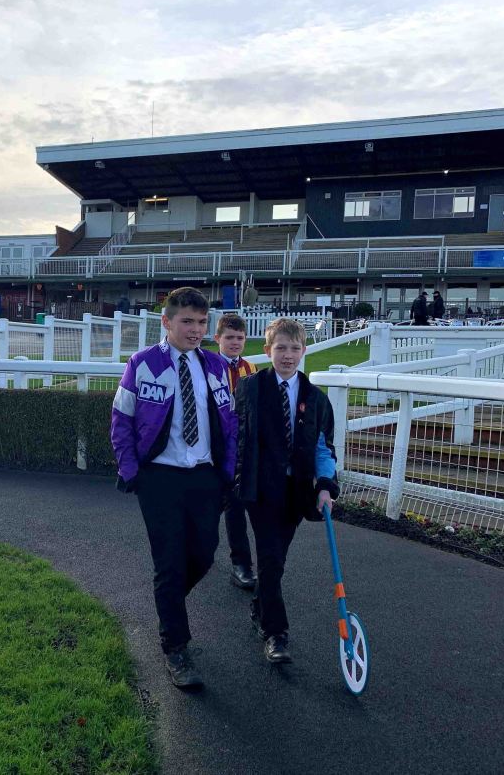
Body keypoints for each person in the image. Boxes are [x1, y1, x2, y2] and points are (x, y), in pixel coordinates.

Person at [111, 287, 237, 690]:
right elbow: (121, 421)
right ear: (166, 322)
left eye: (202, 323)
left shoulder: (217, 366)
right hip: (159, 479)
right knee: (169, 563)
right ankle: (175, 647)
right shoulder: (142, 363)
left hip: (204, 476)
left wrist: (228, 473)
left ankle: (168, 608)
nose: (196, 330)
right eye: (187, 322)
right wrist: (132, 472)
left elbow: (229, 427)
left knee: (202, 556)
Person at [234, 318, 340, 665]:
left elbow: (324, 448)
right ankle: (276, 633)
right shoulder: (250, 389)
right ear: (268, 351)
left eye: (295, 348)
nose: (288, 355)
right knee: (269, 557)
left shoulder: (316, 399)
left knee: (275, 562)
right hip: (260, 490)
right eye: (281, 348)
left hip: (295, 493)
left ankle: (259, 606)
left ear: (304, 351)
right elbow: (236, 436)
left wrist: (325, 486)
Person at [214, 314, 258, 590]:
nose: (235, 342)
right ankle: (189, 553)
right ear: (217, 338)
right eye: (229, 337)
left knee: (235, 505)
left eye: (240, 338)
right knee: (202, 507)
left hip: (239, 450)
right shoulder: (205, 365)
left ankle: (241, 564)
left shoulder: (251, 368)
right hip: (209, 449)